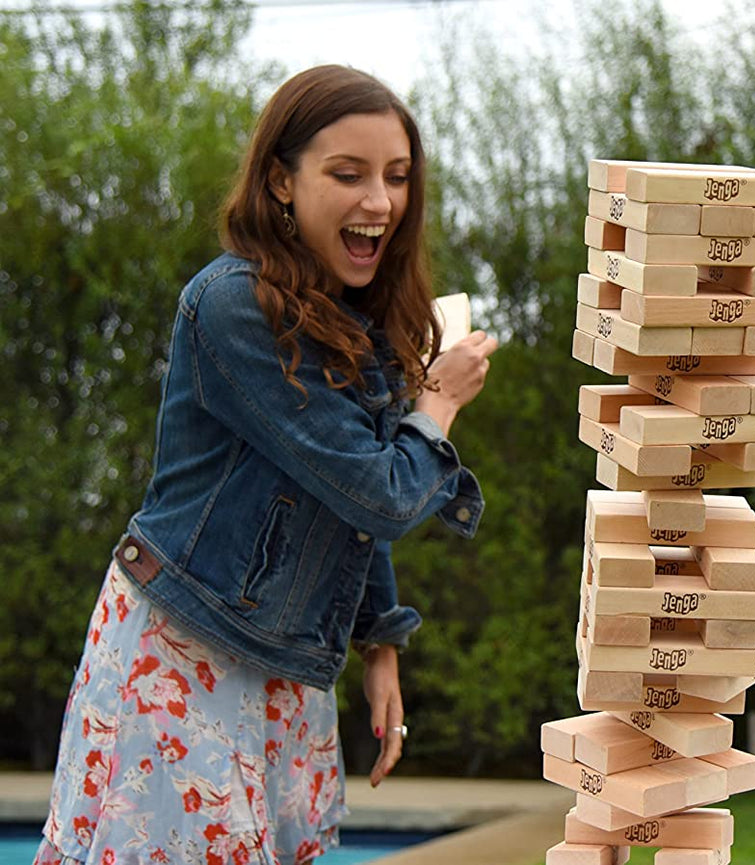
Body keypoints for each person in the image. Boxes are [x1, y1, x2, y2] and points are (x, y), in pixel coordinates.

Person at [33, 65, 499, 865]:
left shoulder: (361, 320)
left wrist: (380, 646)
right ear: (281, 181)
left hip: (286, 663)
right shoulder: (231, 306)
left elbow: (349, 503)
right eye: (346, 174)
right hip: (183, 650)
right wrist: (439, 404)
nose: (379, 202)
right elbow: (381, 494)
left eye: (395, 177)